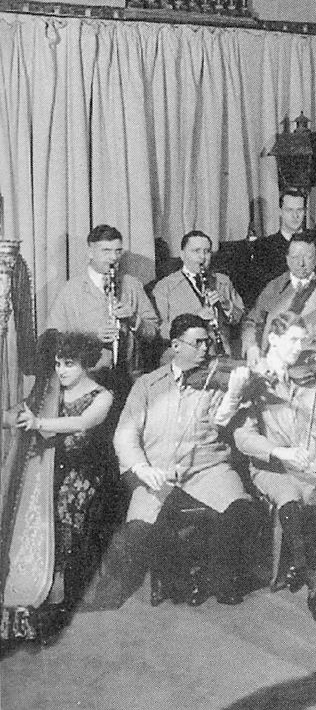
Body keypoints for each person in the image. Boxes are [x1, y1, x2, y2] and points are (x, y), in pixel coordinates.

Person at [92, 315, 253, 609]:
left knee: (241, 510)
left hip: (207, 468)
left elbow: (224, 421)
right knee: (140, 530)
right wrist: (141, 467)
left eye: (208, 342)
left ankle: (214, 578)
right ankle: (174, 577)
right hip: (159, 470)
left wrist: (234, 393)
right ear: (176, 345)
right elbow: (125, 433)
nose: (205, 349)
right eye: (197, 343)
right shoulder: (147, 385)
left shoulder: (217, 382)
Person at [225, 313, 316, 624]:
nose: (299, 348)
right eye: (293, 340)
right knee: (291, 503)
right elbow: (242, 437)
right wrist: (280, 452)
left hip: (313, 463)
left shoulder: (308, 376)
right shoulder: (253, 380)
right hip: (273, 468)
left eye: (303, 341)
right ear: (273, 339)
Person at [0, 332, 113, 639]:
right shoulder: (49, 392)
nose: (61, 371)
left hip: (83, 472)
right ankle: (27, 599)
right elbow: (13, 417)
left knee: (62, 509)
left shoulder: (102, 396)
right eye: (58, 364)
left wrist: (39, 423)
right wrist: (13, 417)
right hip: (49, 469)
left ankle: (54, 602)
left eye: (69, 364)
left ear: (86, 364)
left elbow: (81, 423)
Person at [47, 224, 159, 380]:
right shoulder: (71, 290)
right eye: (106, 251)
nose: (114, 258)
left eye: (118, 251)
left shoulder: (132, 285)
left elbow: (154, 333)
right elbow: (52, 340)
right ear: (90, 252)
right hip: (87, 379)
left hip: (130, 377)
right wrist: (92, 337)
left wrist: (134, 319)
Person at [241, 233, 316, 356]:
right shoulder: (275, 286)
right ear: (287, 259)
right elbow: (252, 320)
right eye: (295, 257)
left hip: (310, 360)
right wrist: (251, 346)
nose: (301, 263)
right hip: (271, 360)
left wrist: (307, 329)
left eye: (308, 257)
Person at [152, 231, 245, 357]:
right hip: (184, 357)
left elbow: (242, 319)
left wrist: (228, 306)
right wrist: (195, 320)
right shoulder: (165, 287)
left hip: (223, 353)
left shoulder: (223, 281)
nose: (202, 257)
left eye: (207, 252)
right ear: (182, 255)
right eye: (196, 251)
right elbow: (159, 330)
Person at [247, 189, 316, 304]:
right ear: (280, 211)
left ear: (305, 211)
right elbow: (259, 292)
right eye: (289, 210)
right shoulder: (263, 246)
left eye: (300, 210)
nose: (295, 216)